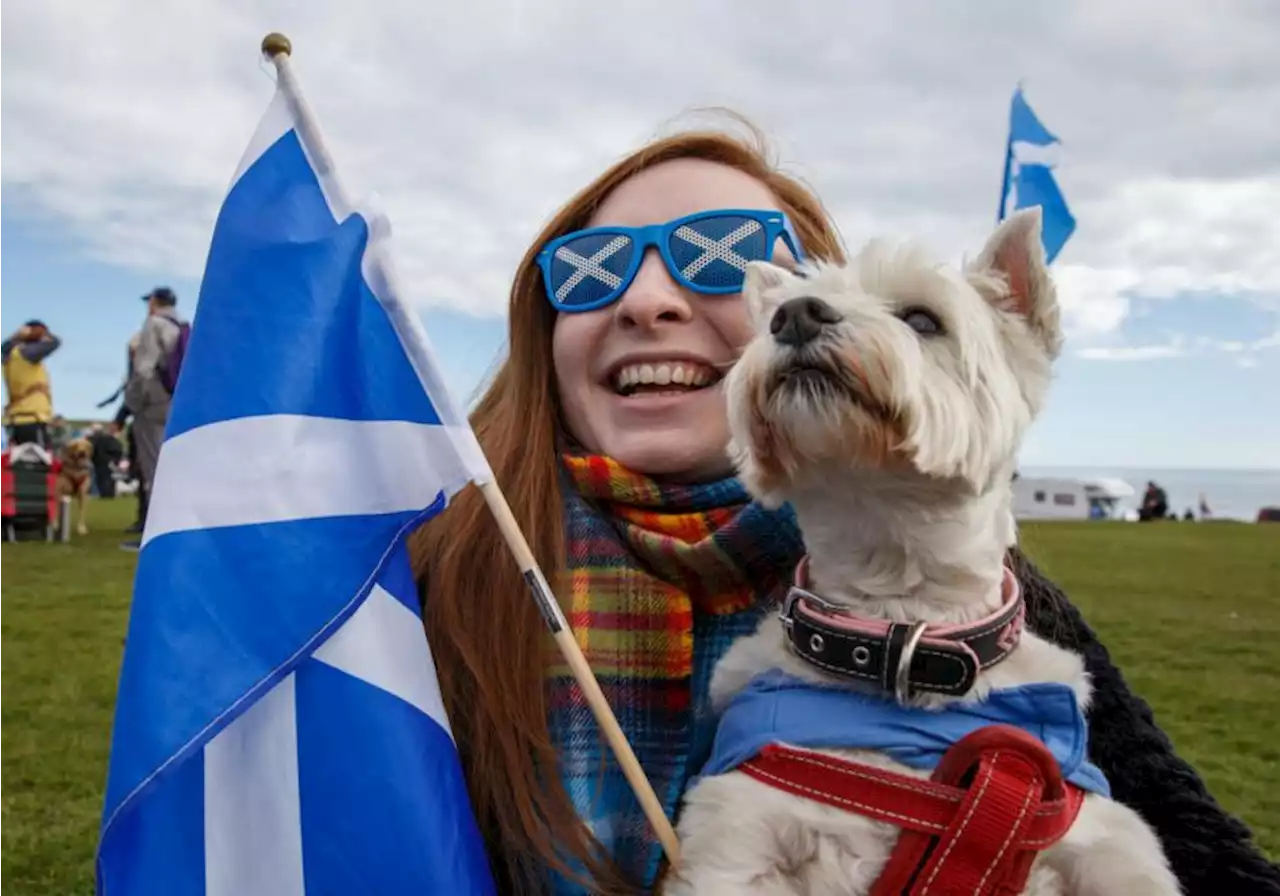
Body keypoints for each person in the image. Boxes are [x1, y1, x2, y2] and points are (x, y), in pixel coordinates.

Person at [409, 124, 1280, 895]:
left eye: (718, 252)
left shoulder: (1027, 635)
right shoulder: (418, 593)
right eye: (590, 271)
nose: (644, 299)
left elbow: (1208, 857)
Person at [121, 287, 186, 550]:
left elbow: (143, 369)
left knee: (153, 468)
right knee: (171, 465)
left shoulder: (154, 324)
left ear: (154, 302)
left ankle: (156, 534)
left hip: (154, 404)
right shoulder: (182, 326)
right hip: (176, 402)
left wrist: (132, 403)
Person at [1, 319, 62, 446]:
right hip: (33, 418)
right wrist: (42, 333)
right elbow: (55, 342)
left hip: (16, 418)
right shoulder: (26, 354)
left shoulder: (9, 356)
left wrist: (17, 335)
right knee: (38, 462)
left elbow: (4, 347)